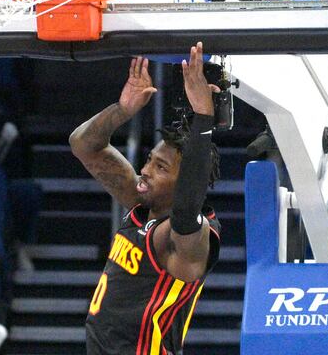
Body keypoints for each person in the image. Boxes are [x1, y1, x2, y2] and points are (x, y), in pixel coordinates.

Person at [69, 42, 221, 355]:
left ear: (184, 183)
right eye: (150, 159)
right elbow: (85, 146)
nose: (145, 170)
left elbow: (186, 212)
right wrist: (122, 110)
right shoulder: (142, 205)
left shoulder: (189, 236)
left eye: (160, 166)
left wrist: (204, 117)